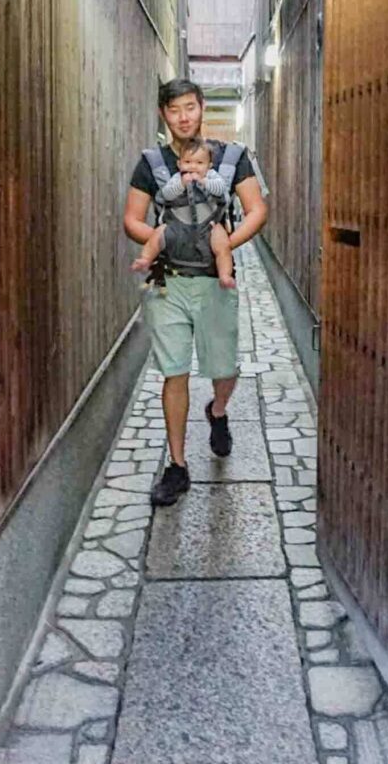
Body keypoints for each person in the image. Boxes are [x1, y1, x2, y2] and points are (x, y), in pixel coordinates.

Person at [124, 79, 268, 507]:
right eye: (174, 110)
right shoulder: (152, 164)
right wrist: (165, 238)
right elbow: (132, 218)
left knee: (224, 367)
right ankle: (178, 465)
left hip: (214, 281)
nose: (184, 116)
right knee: (175, 371)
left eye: (190, 107)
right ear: (163, 115)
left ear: (201, 107)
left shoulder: (231, 158)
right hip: (169, 282)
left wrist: (224, 240)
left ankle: (218, 411)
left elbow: (257, 209)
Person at [130, 136, 236, 289]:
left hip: (208, 226)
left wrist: (204, 182)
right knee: (158, 234)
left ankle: (225, 274)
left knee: (222, 244)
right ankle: (145, 259)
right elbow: (166, 195)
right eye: (187, 162)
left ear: (209, 165)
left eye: (199, 163)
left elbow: (221, 190)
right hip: (177, 225)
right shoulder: (176, 179)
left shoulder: (212, 176)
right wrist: (181, 184)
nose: (193, 167)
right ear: (179, 164)